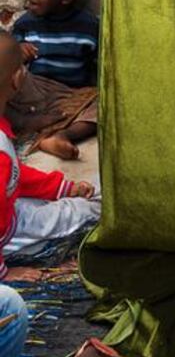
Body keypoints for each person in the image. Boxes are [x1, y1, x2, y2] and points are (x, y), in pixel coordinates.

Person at [0, 33, 100, 282]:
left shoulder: (3, 136)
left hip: (9, 213)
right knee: (88, 211)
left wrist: (63, 187)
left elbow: (16, 175)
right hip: (8, 232)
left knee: (72, 201)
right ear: (17, 79)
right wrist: (4, 273)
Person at [8, 0, 98, 160]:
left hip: (71, 93)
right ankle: (25, 122)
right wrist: (18, 52)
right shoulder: (27, 23)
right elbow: (7, 58)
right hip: (34, 86)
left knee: (103, 106)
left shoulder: (89, 26)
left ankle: (60, 136)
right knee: (7, 79)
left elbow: (99, 64)